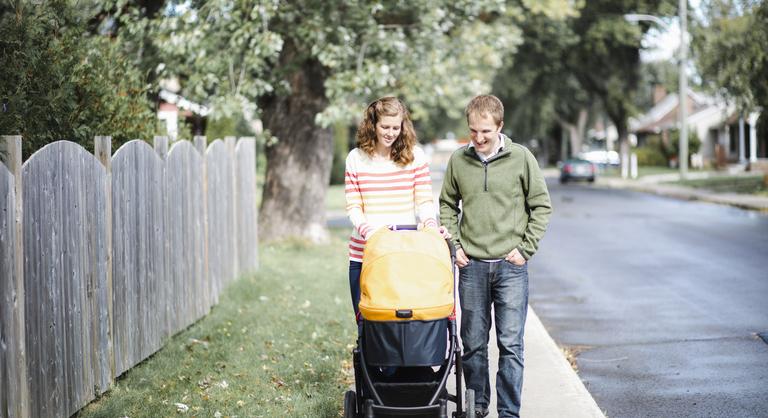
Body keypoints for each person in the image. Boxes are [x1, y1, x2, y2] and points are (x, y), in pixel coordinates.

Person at [439, 94, 552, 417]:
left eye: (486, 131)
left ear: (500, 127)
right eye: (473, 131)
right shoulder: (459, 160)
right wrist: (455, 246)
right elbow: (447, 205)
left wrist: (526, 247)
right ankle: (478, 408)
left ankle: (508, 413)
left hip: (510, 267)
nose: (479, 138)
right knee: (473, 345)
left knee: (510, 346)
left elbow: (541, 206)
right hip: (472, 266)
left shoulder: (521, 158)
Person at [345, 96, 449, 319]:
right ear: (373, 124)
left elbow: (424, 201)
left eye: (395, 127)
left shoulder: (415, 156)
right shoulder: (356, 158)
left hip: (403, 252)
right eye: (385, 127)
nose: (390, 133)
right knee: (367, 321)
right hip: (364, 252)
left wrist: (431, 226)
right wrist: (371, 233)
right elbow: (354, 206)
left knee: (400, 320)